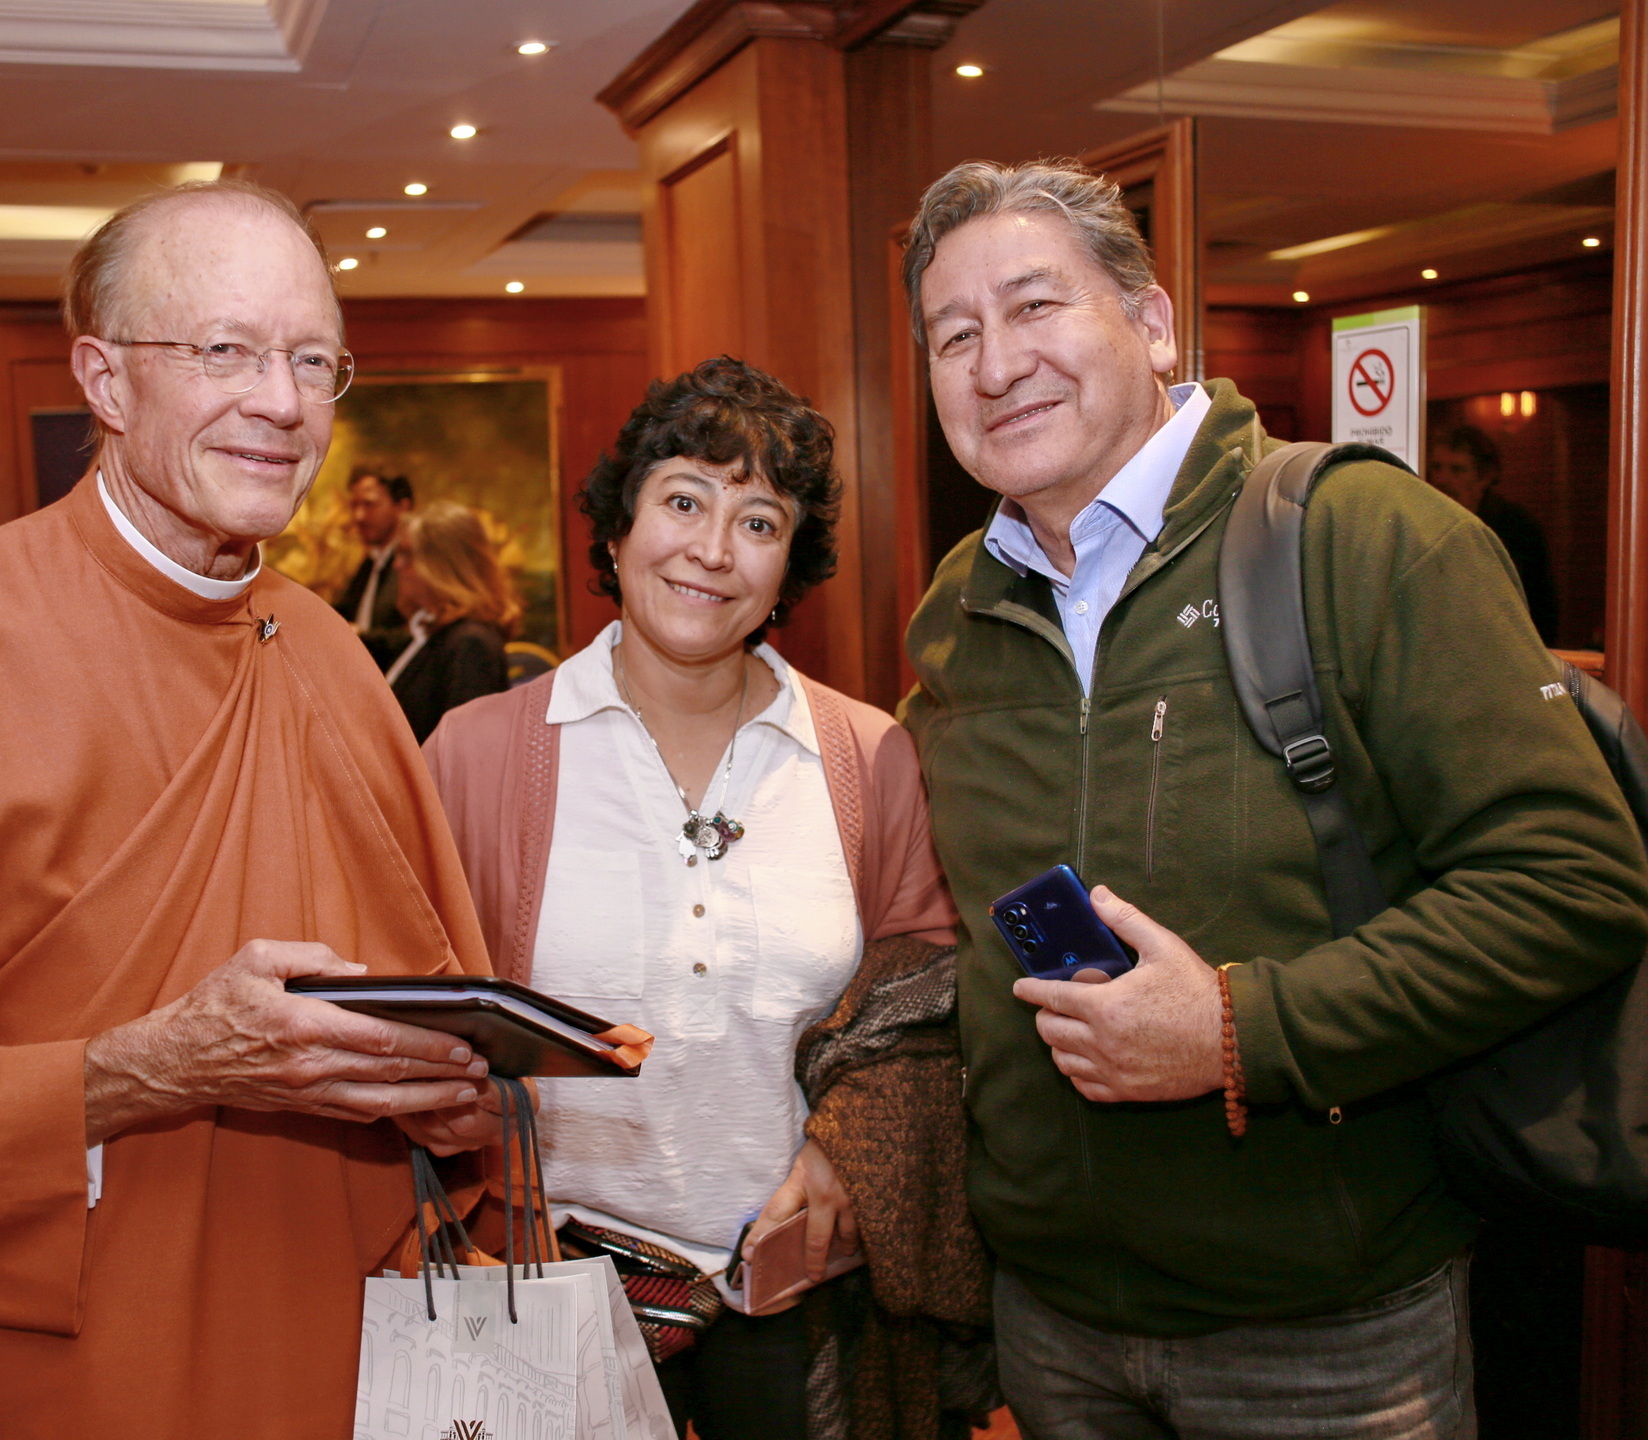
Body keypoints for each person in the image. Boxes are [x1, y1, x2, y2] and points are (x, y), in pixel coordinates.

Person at [0, 180, 510, 1440]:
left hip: (355, 1368)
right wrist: (138, 1072)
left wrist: (462, 1089)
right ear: (103, 379)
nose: (282, 401)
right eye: (225, 352)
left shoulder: (330, 656)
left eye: (314, 360)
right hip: (54, 1381)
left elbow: (438, 1016)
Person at [897, 158, 1648, 1440]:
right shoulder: (956, 610)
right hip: (1051, 1324)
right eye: (952, 334)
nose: (994, 361)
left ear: (1150, 322)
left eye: (1034, 308)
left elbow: (1573, 882)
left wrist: (1242, 1029)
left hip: (1328, 1335)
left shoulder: (1362, 539)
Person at [425, 357, 994, 1440]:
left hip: (800, 1295)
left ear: (791, 567)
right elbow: (423, 1009)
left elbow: (927, 1004)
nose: (711, 550)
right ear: (618, 528)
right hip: (550, 1285)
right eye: (683, 500)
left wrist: (847, 1149)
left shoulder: (867, 758)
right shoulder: (479, 754)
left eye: (759, 521)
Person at [385, 499, 516, 742]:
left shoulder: (471, 645)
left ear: (440, 564)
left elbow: (467, 751)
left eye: (406, 553)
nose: (396, 564)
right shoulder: (430, 629)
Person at [1427, 424, 1559, 644]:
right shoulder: (1423, 521)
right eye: (1436, 467)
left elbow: (1538, 609)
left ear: (1484, 477)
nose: (1442, 479)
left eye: (1457, 470)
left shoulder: (1515, 529)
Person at [333, 466, 414, 666]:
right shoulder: (370, 562)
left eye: (370, 504)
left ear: (402, 507)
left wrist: (361, 636)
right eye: (354, 505)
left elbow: (419, 634)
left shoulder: (417, 566)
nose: (359, 516)